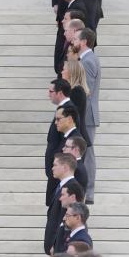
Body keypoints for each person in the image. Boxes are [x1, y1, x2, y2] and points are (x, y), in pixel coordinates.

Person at [72, 28, 100, 205]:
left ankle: (89, 191)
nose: (72, 41)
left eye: (75, 38)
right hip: (86, 113)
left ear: (83, 42)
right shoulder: (86, 59)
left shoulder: (88, 61)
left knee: (87, 152)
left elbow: (86, 91)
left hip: (87, 115)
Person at [45, 79, 80, 207]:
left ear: (59, 93)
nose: (48, 94)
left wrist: (56, 160)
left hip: (60, 167)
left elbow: (66, 139)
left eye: (51, 91)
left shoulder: (68, 109)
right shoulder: (63, 109)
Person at [44, 153, 78, 255]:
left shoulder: (72, 188)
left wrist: (56, 244)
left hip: (60, 247)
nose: (52, 168)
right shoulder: (62, 186)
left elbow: (67, 219)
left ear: (65, 167)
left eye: (55, 165)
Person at [61, 59, 91, 147]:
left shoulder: (77, 91)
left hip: (76, 142)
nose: (62, 72)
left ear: (71, 72)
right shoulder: (72, 90)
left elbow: (72, 117)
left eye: (64, 69)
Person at [52, 181, 85, 254]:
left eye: (63, 195)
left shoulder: (76, 222)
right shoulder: (66, 215)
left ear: (72, 197)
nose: (60, 198)